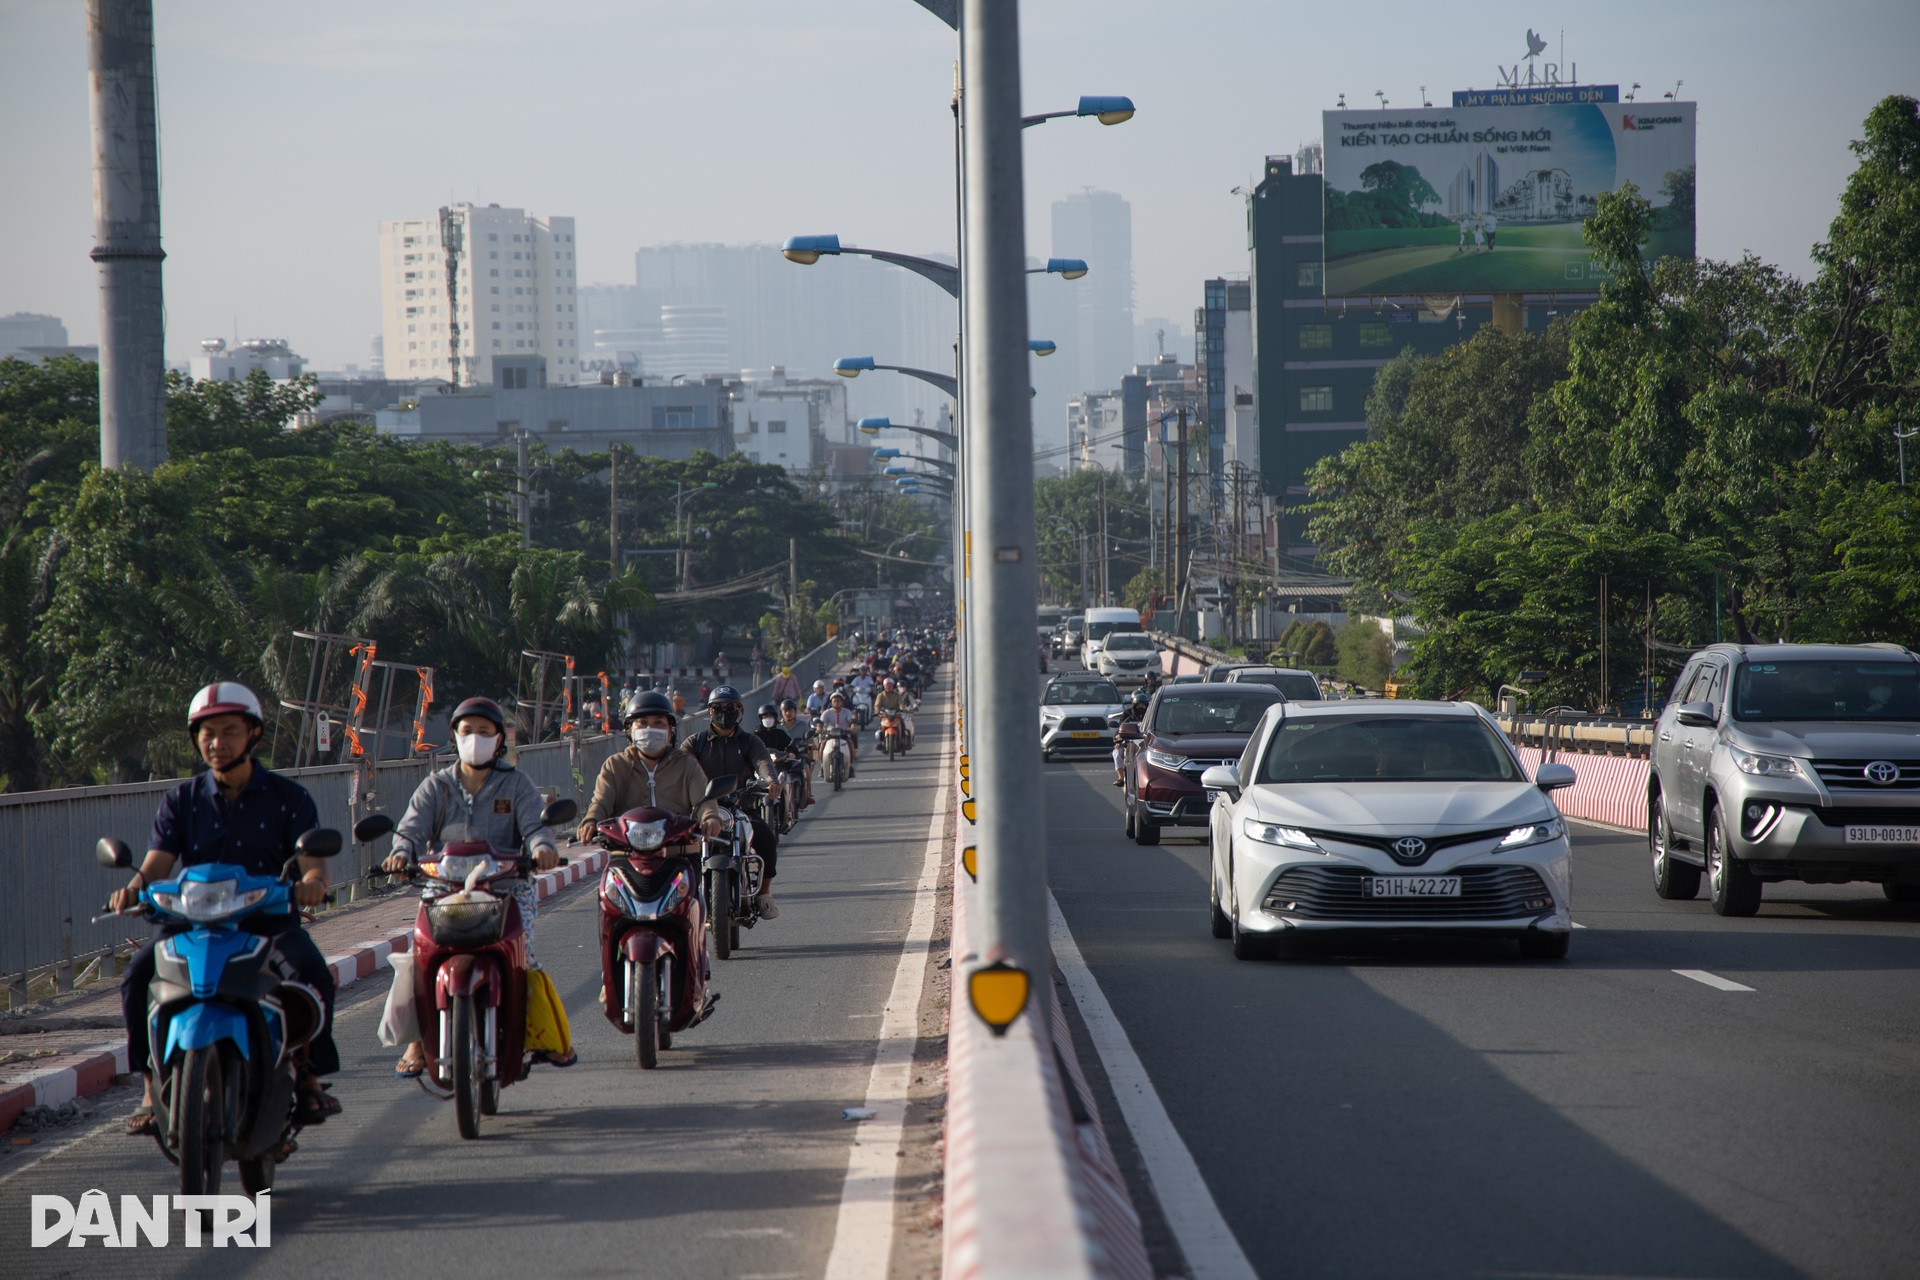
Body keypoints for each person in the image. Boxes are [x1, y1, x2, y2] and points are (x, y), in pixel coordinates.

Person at [112, 682, 342, 1135]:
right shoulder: (181, 800)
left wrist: (312, 885)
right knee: (138, 975)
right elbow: (157, 865)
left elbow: (315, 866)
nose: (218, 743)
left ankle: (309, 1074)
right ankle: (148, 1082)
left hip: (267, 922)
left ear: (253, 735)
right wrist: (133, 888)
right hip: (191, 923)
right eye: (208, 733)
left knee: (311, 973)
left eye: (230, 732)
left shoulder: (288, 797)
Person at [381, 696, 564, 1077]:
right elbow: (411, 830)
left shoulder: (516, 783)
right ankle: (417, 1041)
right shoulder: (436, 786)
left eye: (485, 731)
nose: (476, 738)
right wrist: (400, 854)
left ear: (499, 739)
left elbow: (535, 827)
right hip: (443, 890)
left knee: (524, 955)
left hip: (507, 889)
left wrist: (543, 849)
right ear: (455, 737)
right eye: (468, 731)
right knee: (420, 959)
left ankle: (541, 1034)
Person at [678, 686, 782, 918]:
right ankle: (684, 896)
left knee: (766, 838)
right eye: (718, 708)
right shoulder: (696, 742)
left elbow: (763, 762)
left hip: (741, 807)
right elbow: (681, 766)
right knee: (680, 847)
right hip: (705, 811)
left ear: (739, 710)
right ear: (709, 711)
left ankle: (764, 893)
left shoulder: (750, 742)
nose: (724, 712)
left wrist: (770, 780)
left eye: (730, 708)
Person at [580, 691, 723, 840]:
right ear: (629, 730)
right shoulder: (615, 765)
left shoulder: (687, 764)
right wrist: (591, 821)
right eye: (642, 723)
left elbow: (703, 801)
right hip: (626, 852)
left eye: (658, 723)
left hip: (678, 851)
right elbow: (601, 802)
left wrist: (710, 818)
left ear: (670, 731)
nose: (650, 729)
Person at [819, 689, 859, 778]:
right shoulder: (826, 713)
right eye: (834, 701)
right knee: (822, 744)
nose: (836, 703)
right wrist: (819, 729)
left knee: (850, 745)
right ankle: (822, 766)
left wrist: (852, 727)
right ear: (831, 702)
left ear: (842, 702)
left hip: (843, 734)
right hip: (829, 735)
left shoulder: (847, 712)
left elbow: (851, 721)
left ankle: (850, 766)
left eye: (838, 701)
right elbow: (820, 723)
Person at [873, 677, 914, 750]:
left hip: (896, 714)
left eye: (890, 686)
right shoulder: (880, 695)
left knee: (902, 724)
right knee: (881, 726)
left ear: (893, 686)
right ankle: (881, 742)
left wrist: (902, 709)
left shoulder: (897, 695)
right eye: (886, 686)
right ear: (884, 686)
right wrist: (877, 710)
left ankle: (902, 741)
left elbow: (901, 704)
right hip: (885, 714)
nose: (888, 688)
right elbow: (877, 705)